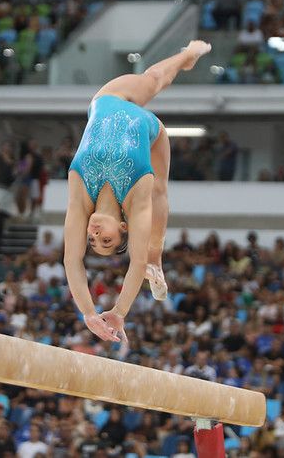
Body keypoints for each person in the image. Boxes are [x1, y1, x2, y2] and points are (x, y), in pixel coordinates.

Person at [64, 40, 212, 342]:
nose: (93, 234)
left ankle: (187, 56)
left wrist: (89, 314)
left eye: (93, 241)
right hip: (151, 132)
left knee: (151, 80)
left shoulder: (81, 193)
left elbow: (71, 260)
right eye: (106, 239)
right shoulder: (135, 194)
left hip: (108, 98)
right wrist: (119, 312)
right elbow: (136, 262)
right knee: (158, 191)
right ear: (122, 227)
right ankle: (156, 256)